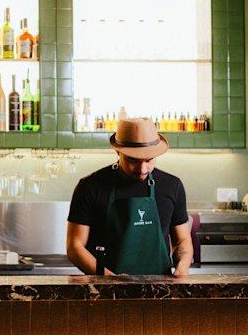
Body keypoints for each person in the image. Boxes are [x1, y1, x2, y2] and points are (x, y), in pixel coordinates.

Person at [66, 117, 193, 276]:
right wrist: (111, 280)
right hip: (105, 287)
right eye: (133, 160)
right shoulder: (90, 187)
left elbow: (182, 240)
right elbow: (75, 247)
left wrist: (182, 269)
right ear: (118, 151)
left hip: (161, 287)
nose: (142, 169)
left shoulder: (172, 186)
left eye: (149, 160)